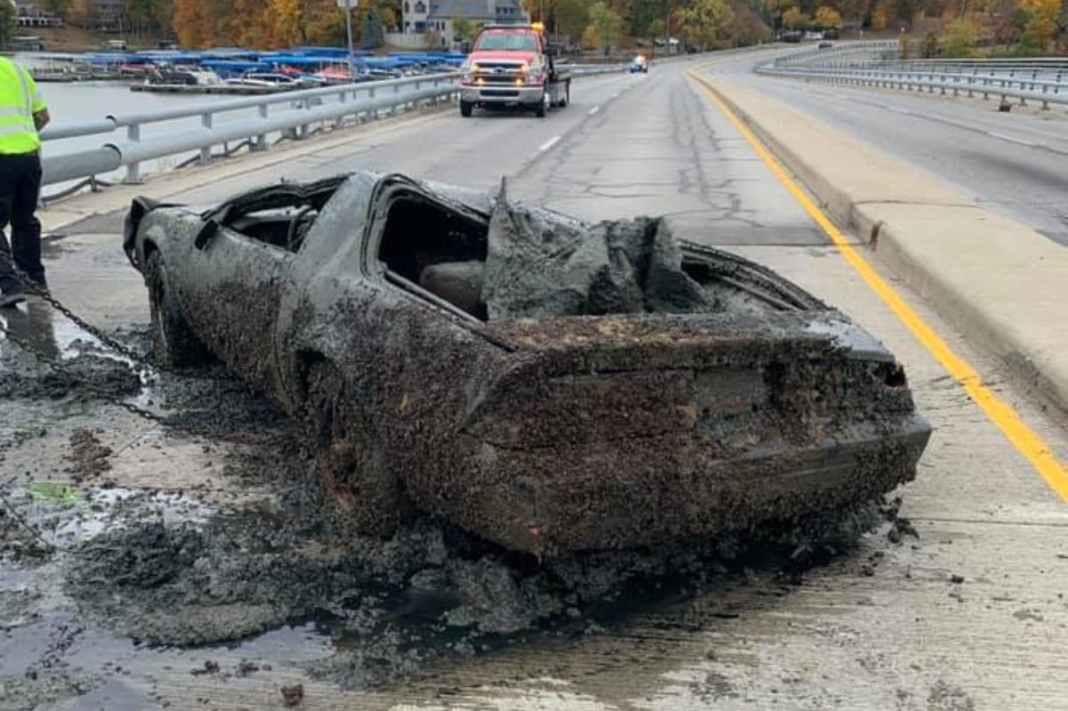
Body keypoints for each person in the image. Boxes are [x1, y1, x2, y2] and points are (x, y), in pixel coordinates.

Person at [0, 56, 50, 308]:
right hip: (29, 158)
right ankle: (34, 280)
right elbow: (43, 116)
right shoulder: (17, 70)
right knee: (25, 220)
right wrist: (24, 137)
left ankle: (9, 285)